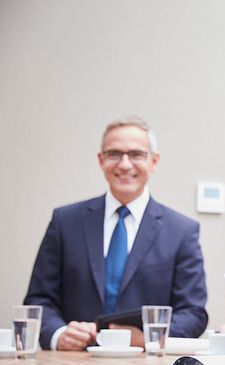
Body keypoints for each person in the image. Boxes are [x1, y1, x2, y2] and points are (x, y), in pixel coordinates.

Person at [24, 116, 208, 350]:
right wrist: (59, 334)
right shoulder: (65, 222)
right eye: (114, 154)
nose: (124, 164)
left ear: (154, 161)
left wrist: (149, 339)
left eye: (136, 154)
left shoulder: (182, 231)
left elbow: (193, 312)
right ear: (101, 160)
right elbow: (39, 299)